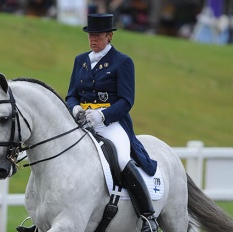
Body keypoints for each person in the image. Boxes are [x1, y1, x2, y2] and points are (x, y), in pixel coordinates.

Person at [65, 13, 158, 232]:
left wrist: (103, 115)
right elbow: (71, 95)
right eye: (90, 36)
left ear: (109, 36)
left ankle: (147, 216)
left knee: (123, 159)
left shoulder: (123, 62)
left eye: (97, 35)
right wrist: (75, 107)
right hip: (82, 122)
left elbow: (127, 101)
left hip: (111, 123)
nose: (92, 40)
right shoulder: (81, 60)